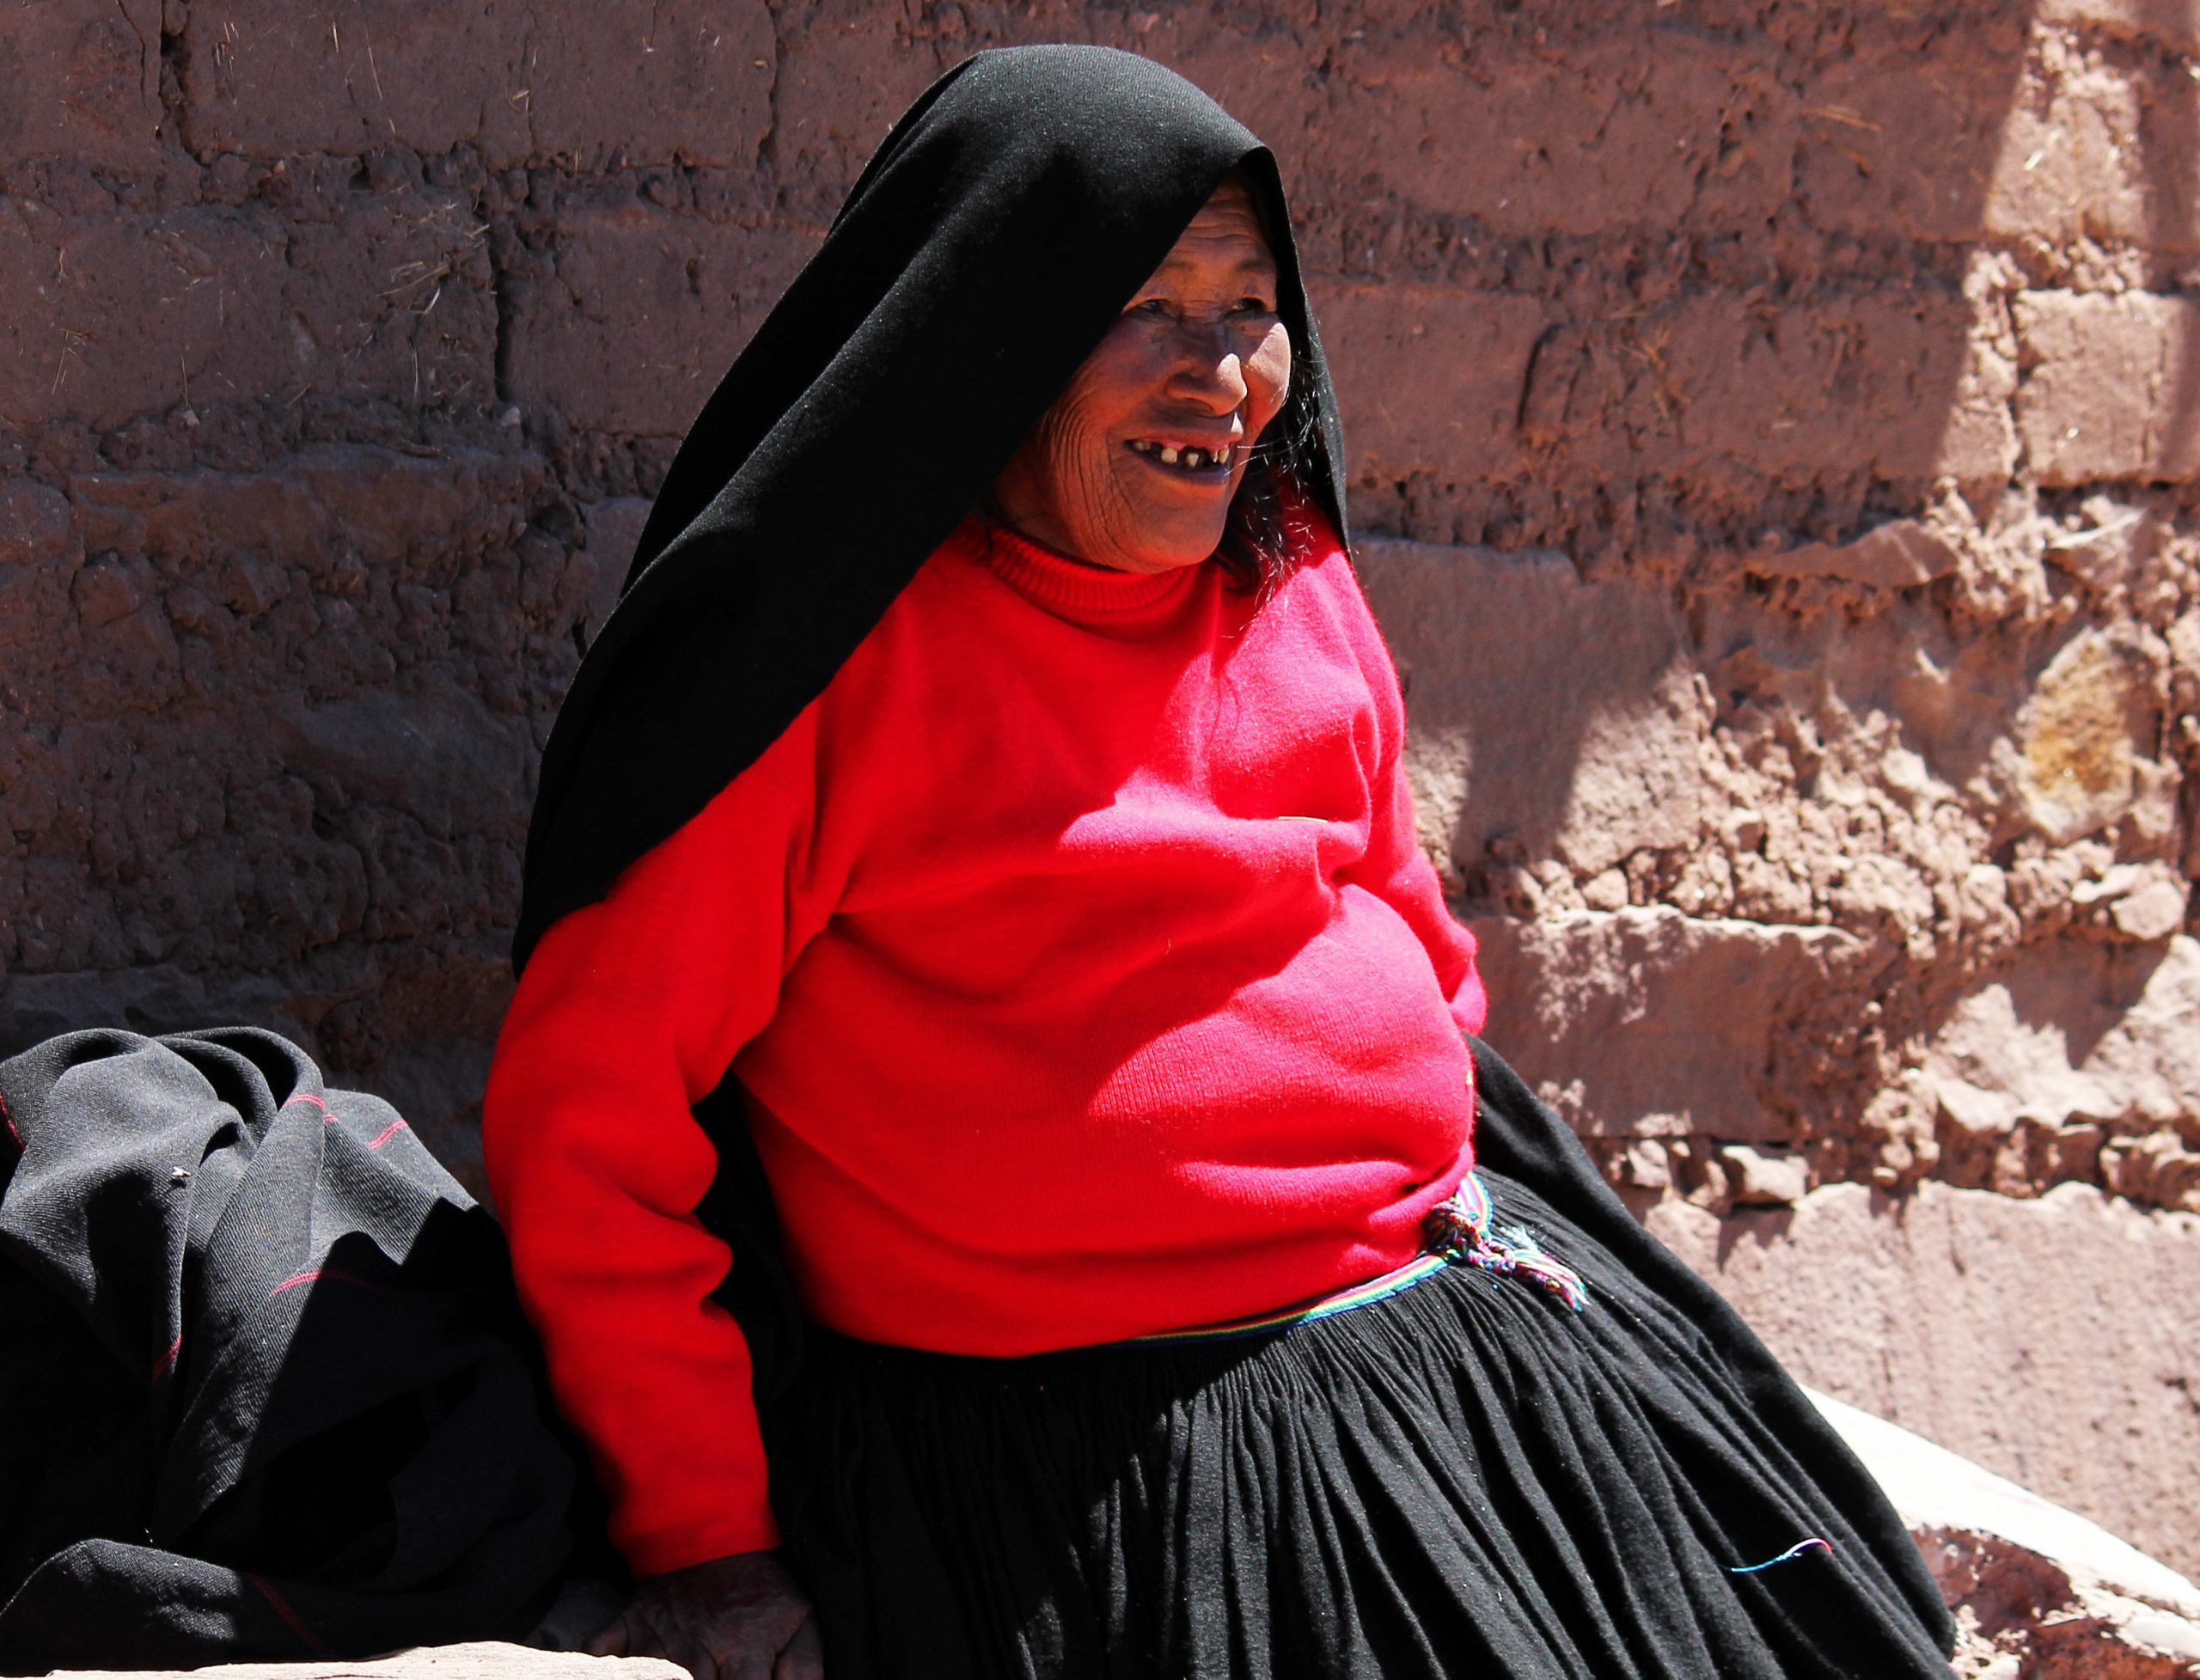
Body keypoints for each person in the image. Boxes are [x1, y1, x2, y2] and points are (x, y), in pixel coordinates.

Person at [484, 46, 1957, 1680]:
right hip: (1101, 1461)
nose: (1221, 374)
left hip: (1435, 1325)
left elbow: (1412, 933)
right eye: (1146, 308)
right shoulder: (816, 675)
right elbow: (590, 1131)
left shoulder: (1289, 579)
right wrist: (710, 1544)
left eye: (1249, 308)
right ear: (993, 338)